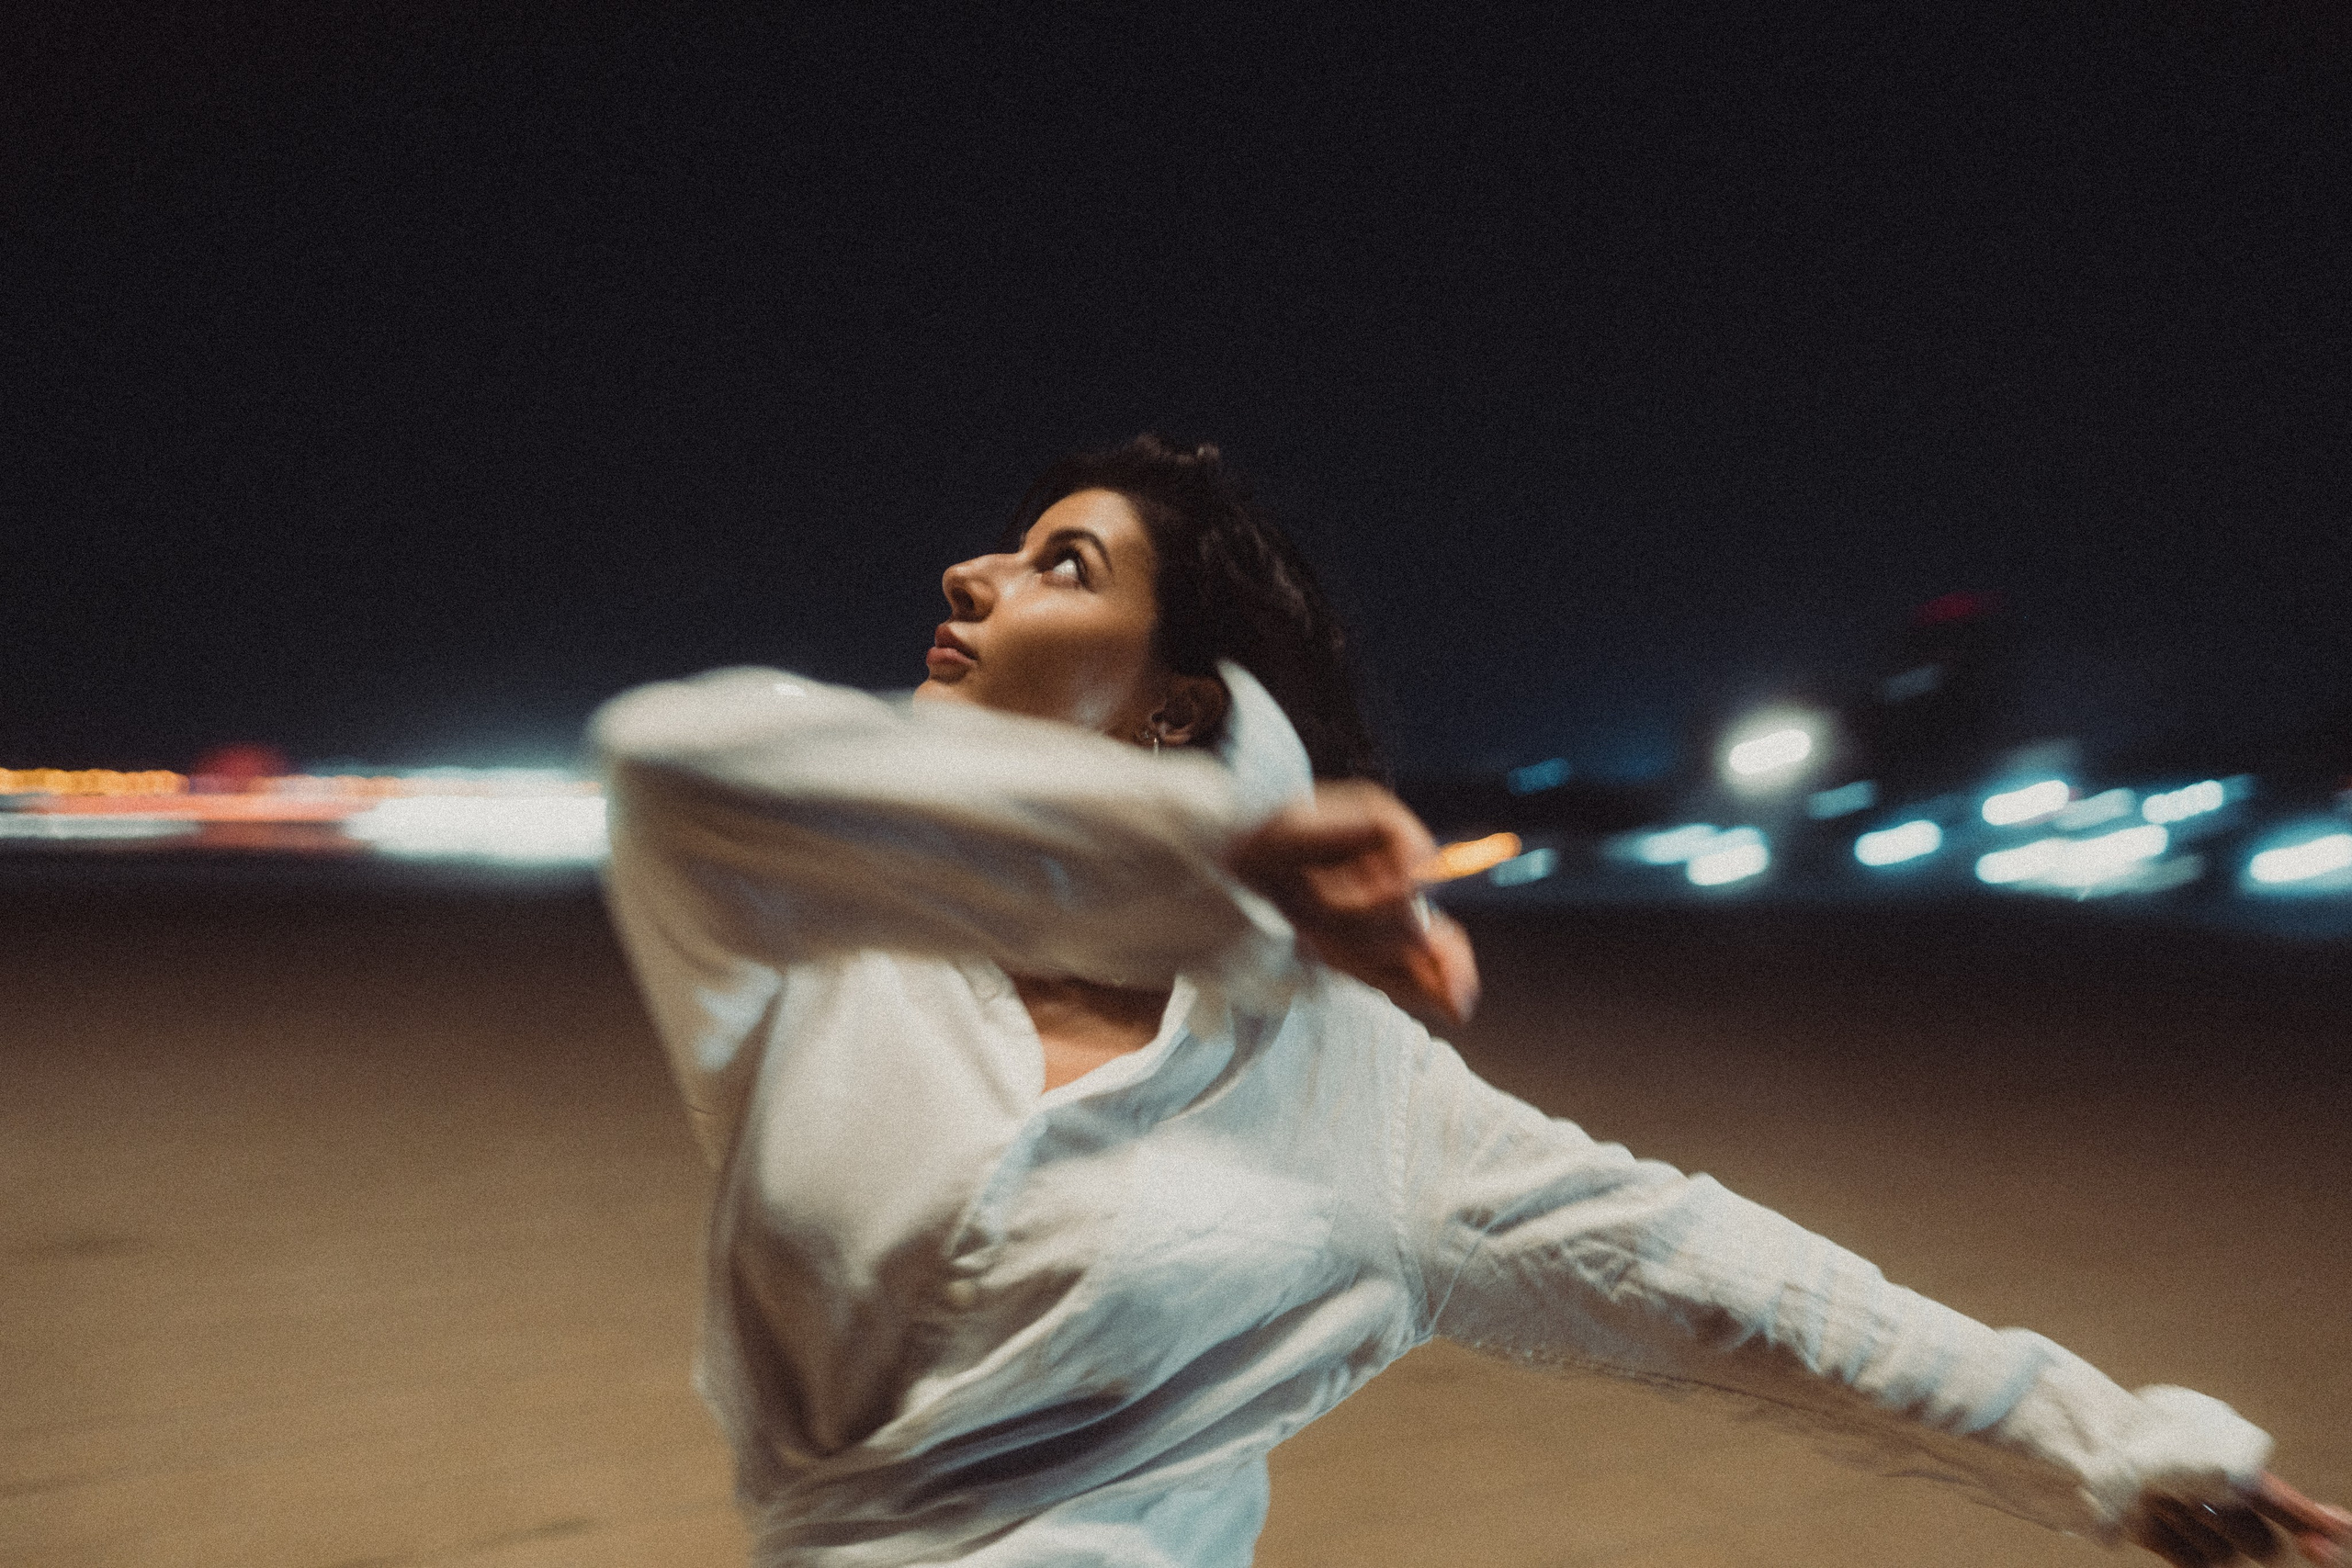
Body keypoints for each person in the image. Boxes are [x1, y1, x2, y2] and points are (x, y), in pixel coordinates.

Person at [594, 435, 2347, 1568]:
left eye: (1064, 565)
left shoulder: (1354, 1089)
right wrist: (1211, 865)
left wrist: (2114, 1444)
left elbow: (1718, 1276)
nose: (970, 578)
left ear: (1181, 706)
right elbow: (670, 756)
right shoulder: (817, 949)